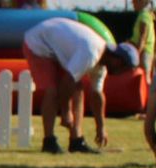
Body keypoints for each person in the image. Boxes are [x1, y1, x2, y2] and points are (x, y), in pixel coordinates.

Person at [23, 17, 138, 154]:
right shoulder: (91, 53)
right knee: (52, 91)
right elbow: (67, 82)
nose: (120, 72)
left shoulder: (102, 66)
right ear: (117, 58)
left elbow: (97, 95)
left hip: (55, 41)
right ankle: (49, 141)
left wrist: (100, 127)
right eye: (123, 67)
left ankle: (76, 140)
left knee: (78, 89)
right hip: (38, 42)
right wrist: (66, 112)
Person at [129, 0, 156, 76]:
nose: (133, 3)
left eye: (135, 1)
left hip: (143, 52)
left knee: (144, 76)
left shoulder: (144, 16)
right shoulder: (144, 15)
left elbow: (142, 37)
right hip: (144, 51)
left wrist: (136, 53)